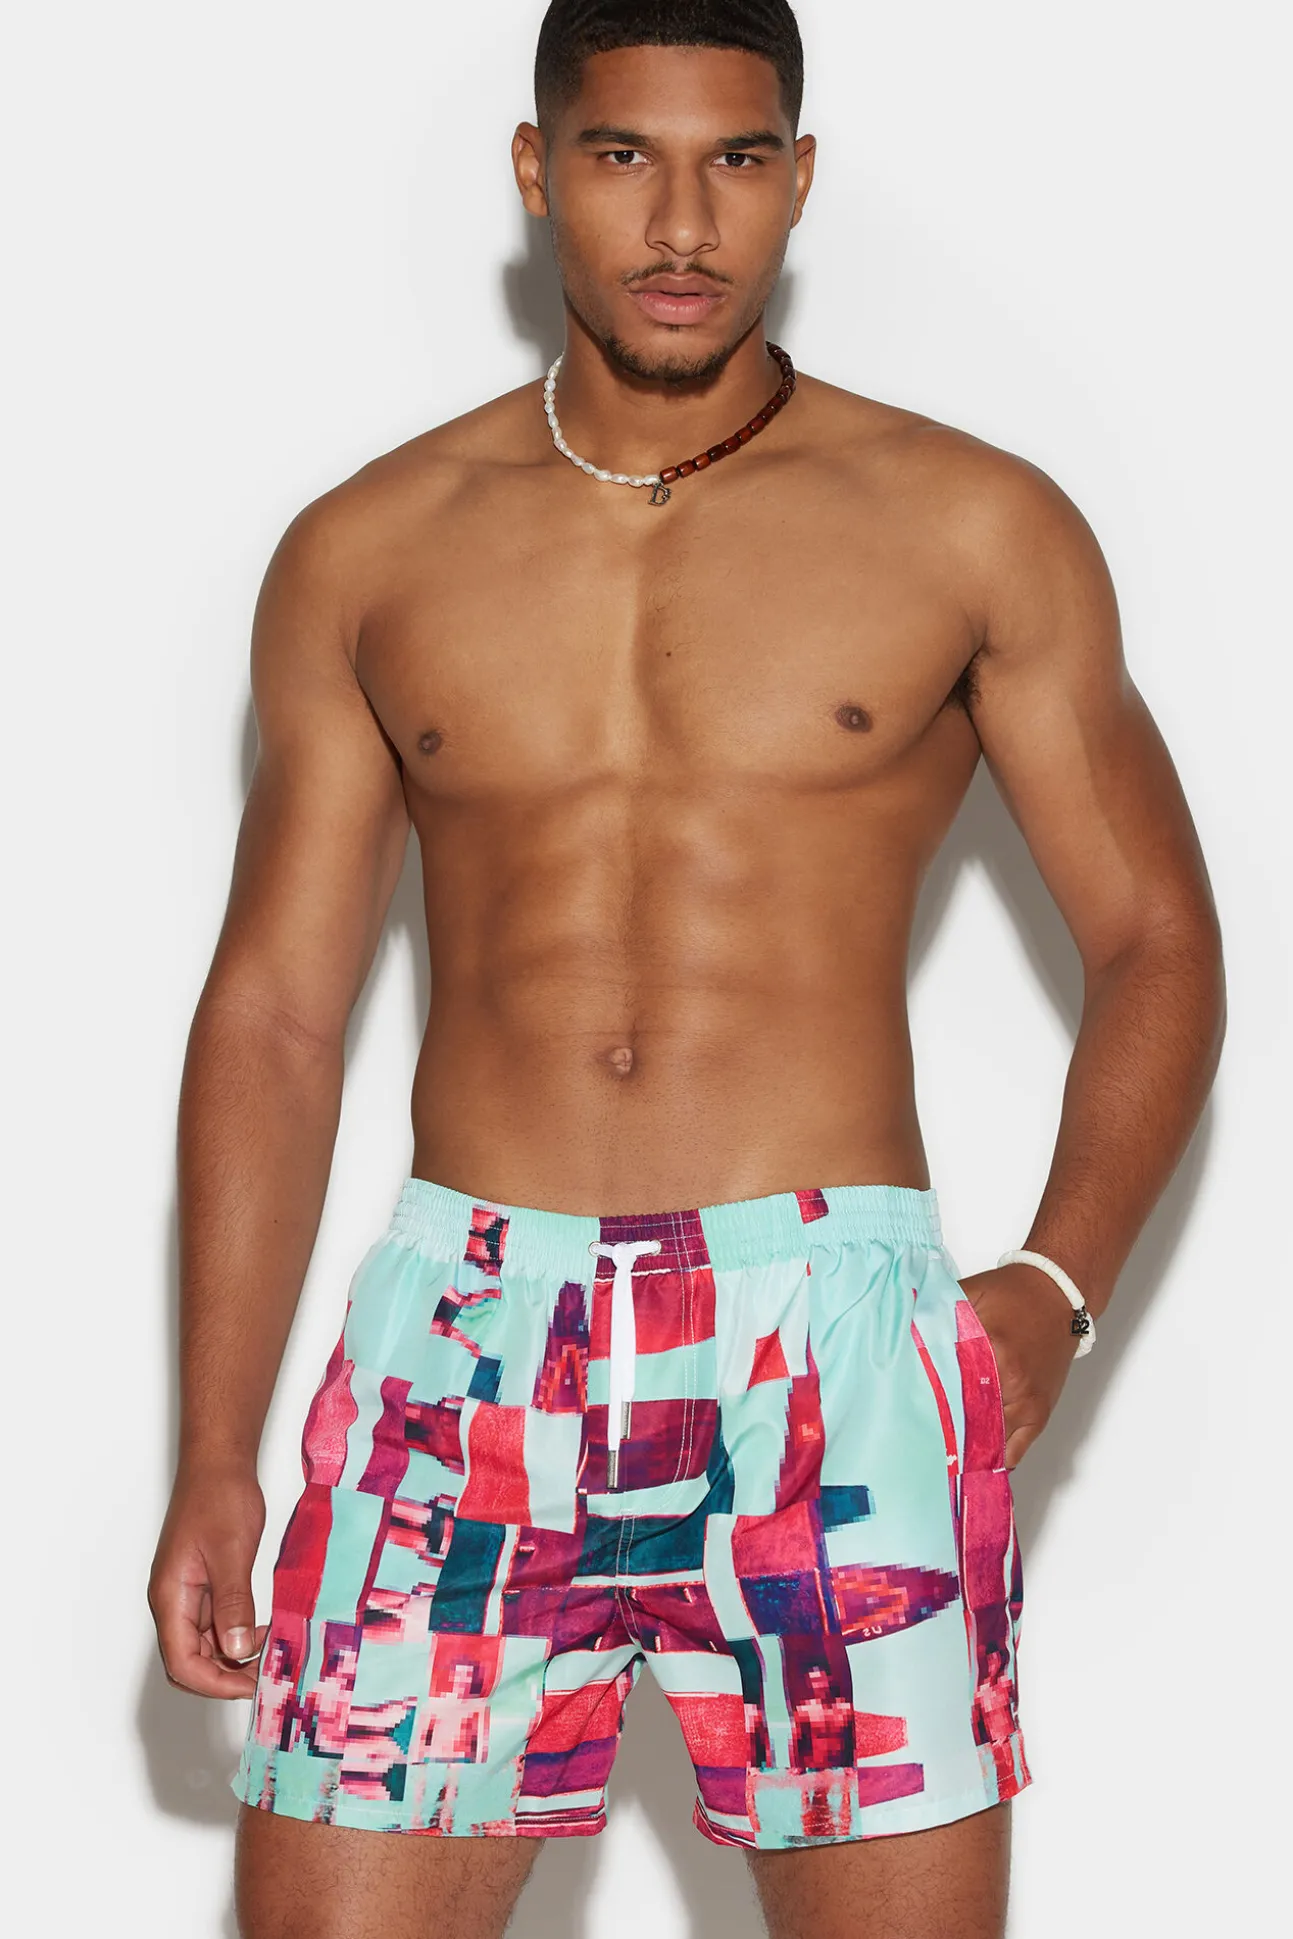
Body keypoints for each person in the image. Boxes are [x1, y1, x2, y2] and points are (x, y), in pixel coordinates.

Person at [146, 3, 1225, 1935]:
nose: (680, 223)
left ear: (798, 179)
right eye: (623, 155)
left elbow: (1155, 934)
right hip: (470, 1336)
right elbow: (278, 1014)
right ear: (536, 170)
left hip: (830, 1343)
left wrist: (1061, 1290)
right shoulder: (366, 551)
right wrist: (214, 1446)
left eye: (735, 160)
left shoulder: (971, 524)